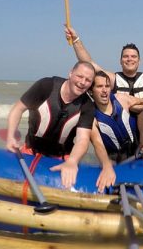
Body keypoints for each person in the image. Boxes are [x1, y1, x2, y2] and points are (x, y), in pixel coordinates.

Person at [5, 61, 96, 190]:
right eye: (80, 76)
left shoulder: (87, 105)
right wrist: (10, 137)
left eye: (88, 80)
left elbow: (83, 139)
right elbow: (18, 109)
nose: (82, 82)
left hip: (60, 156)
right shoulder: (46, 86)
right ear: (70, 73)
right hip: (31, 150)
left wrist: (72, 161)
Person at [64, 25, 143, 100]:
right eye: (126, 56)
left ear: (139, 61)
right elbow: (89, 63)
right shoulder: (112, 79)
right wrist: (76, 40)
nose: (129, 59)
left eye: (133, 56)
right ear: (120, 61)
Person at [88, 70, 143, 192]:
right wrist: (106, 164)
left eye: (107, 86)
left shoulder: (121, 99)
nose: (104, 90)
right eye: (99, 86)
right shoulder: (91, 116)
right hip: (115, 160)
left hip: (138, 152)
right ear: (91, 91)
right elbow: (97, 143)